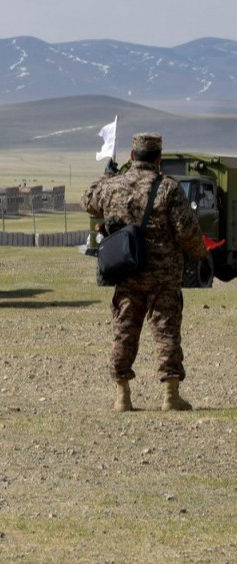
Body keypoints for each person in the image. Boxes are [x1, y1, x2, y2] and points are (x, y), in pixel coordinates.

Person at [82, 131, 208, 412]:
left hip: (125, 271)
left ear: (131, 157)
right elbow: (186, 231)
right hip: (163, 275)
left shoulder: (113, 186)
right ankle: (170, 396)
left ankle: (122, 396)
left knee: (124, 331)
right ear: (158, 159)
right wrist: (201, 254)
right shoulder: (168, 188)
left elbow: (87, 199)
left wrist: (106, 176)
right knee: (166, 332)